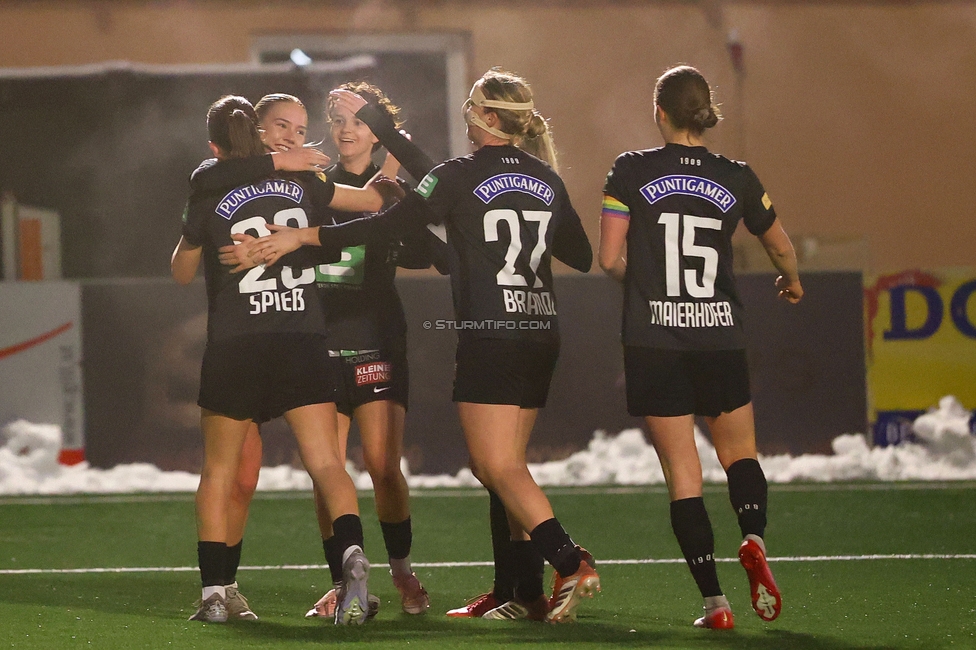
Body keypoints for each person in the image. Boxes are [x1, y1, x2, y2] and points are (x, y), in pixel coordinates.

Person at [249, 68, 601, 624]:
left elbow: (389, 224)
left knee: (496, 467)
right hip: (540, 329)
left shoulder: (457, 175)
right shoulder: (545, 176)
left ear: (486, 118)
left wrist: (304, 236)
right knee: (507, 468)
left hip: (490, 333)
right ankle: (522, 590)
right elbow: (580, 256)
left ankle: (569, 560)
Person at [598, 65, 800, 629]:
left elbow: (609, 259)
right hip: (720, 337)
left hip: (655, 340)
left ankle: (715, 605)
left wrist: (645, 286)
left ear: (659, 112)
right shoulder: (736, 175)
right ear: (705, 114)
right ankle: (753, 535)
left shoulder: (630, 170)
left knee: (683, 477)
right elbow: (780, 246)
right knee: (740, 454)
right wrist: (793, 279)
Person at [171, 95, 379, 626]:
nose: (293, 137)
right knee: (327, 463)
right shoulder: (307, 182)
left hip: (237, 343)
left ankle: (216, 591)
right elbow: (376, 204)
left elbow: (180, 271)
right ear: (260, 132)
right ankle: (352, 557)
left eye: (299, 129)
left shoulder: (211, 182)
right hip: (301, 336)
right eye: (282, 127)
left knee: (219, 471)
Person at [301, 81, 436, 619]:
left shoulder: (397, 187)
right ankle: (343, 577)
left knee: (382, 464)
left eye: (357, 120)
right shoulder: (312, 184)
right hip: (322, 334)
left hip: (376, 333)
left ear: (378, 130)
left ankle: (402, 571)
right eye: (336, 120)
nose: (346, 129)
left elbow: (428, 250)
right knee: (325, 466)